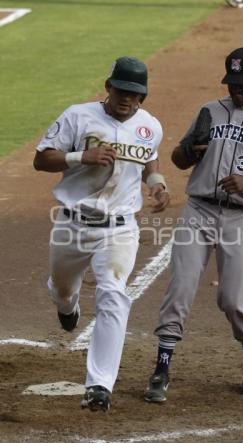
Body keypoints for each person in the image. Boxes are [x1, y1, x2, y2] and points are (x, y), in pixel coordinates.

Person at [144, 47, 243, 403]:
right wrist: (189, 153)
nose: (236, 90)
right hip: (198, 210)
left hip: (240, 217)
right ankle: (162, 368)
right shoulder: (210, 111)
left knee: (232, 299)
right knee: (180, 288)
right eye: (232, 84)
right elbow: (179, 157)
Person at [33, 56, 169, 412]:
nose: (127, 99)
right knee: (63, 291)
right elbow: (42, 159)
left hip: (120, 228)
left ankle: (99, 385)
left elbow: (149, 158)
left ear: (143, 96)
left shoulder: (150, 125)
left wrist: (156, 182)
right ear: (108, 87)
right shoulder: (78, 116)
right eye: (121, 91)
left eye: (135, 94)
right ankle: (66, 304)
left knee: (113, 293)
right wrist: (82, 157)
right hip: (72, 224)